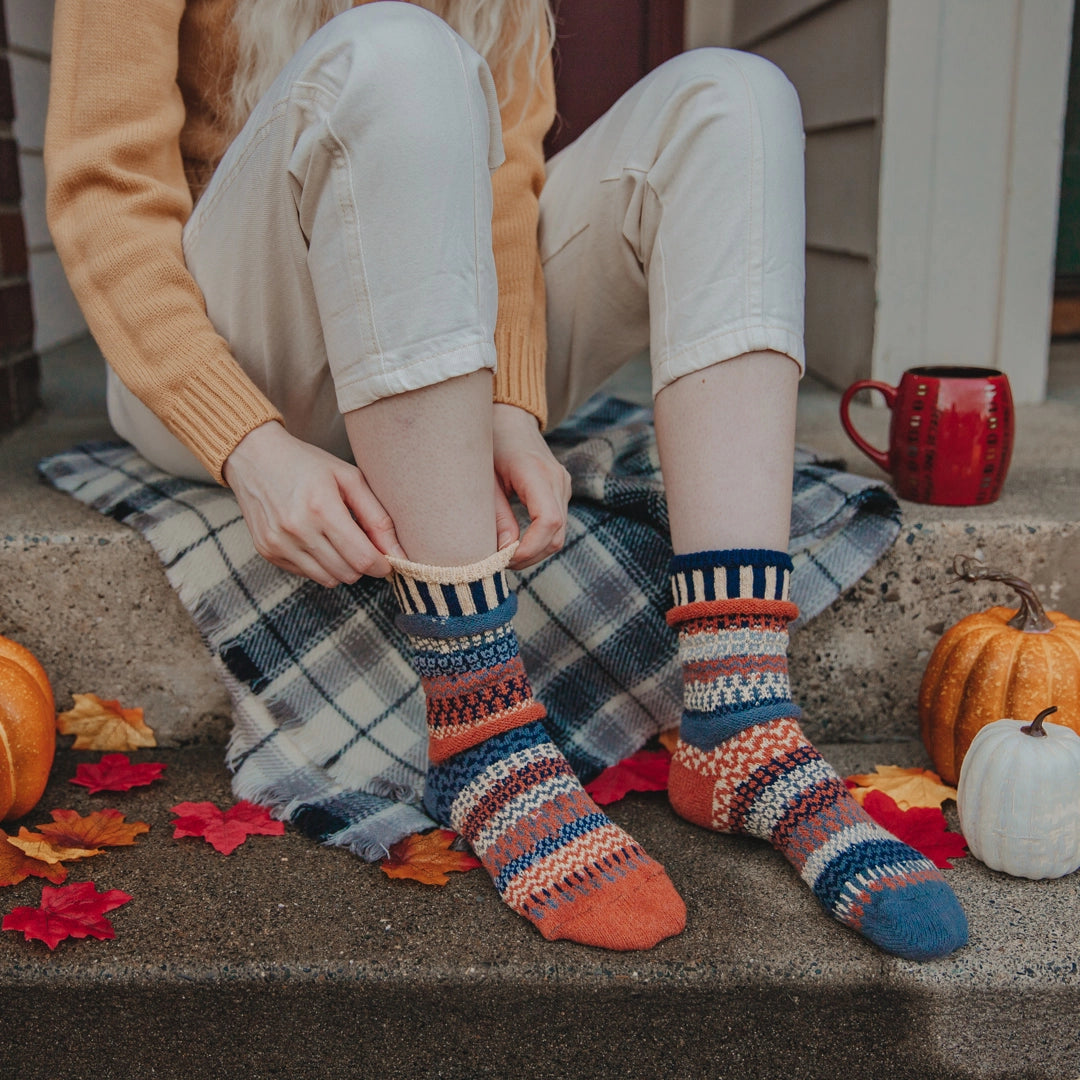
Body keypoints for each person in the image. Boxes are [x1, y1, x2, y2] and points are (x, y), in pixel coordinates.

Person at [45, 0, 967, 957]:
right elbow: (102, 190)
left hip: (440, 330)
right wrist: (249, 446)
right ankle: (480, 728)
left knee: (734, 98)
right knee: (395, 52)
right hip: (230, 341)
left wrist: (513, 407)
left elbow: (506, 188)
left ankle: (740, 713)